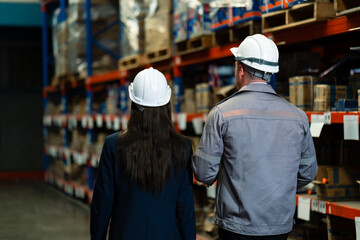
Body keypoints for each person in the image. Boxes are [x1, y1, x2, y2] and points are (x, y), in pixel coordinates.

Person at [191, 34, 318, 240]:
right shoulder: (297, 117)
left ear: (240, 69)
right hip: (279, 226)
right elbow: (308, 173)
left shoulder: (222, 114)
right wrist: (276, 183)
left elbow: (204, 173)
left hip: (236, 227)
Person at [90, 67, 196, 240]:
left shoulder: (114, 145)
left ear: (133, 103)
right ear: (166, 103)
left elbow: (103, 202)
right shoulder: (182, 147)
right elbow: (185, 207)